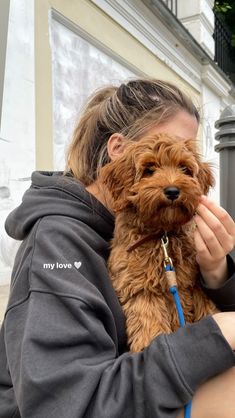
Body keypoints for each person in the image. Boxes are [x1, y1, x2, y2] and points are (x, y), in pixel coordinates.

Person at [0, 78, 235, 418]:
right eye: (160, 155)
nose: (176, 180)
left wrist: (217, 275)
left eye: (185, 162)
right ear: (119, 151)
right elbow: (64, 404)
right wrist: (213, 338)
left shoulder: (160, 229)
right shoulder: (56, 247)